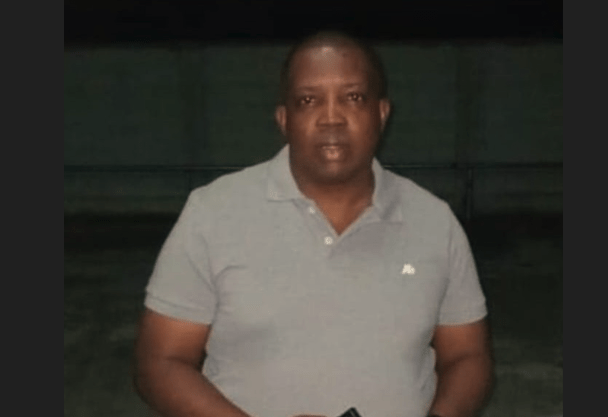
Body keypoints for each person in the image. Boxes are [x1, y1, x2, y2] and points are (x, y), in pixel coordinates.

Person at [133, 30, 494, 417]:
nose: (331, 118)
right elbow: (160, 362)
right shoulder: (213, 213)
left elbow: (468, 356)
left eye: (353, 98)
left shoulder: (434, 222)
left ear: (382, 113)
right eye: (309, 100)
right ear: (284, 119)